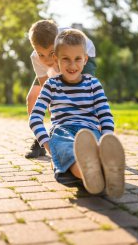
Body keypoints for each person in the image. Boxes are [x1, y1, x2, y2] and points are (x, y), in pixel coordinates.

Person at [29, 29, 125, 198]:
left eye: (77, 59)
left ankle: (102, 170)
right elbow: (35, 117)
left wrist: (106, 139)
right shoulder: (51, 85)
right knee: (67, 149)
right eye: (65, 59)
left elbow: (105, 114)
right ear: (56, 60)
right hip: (62, 131)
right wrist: (47, 145)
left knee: (90, 145)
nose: (72, 66)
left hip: (90, 132)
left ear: (85, 59)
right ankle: (93, 175)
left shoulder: (93, 84)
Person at [25, 19, 97, 158]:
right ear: (35, 49)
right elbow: (48, 92)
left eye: (50, 53)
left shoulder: (68, 43)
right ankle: (40, 141)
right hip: (59, 58)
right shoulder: (36, 58)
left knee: (83, 95)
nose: (46, 60)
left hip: (78, 55)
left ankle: (91, 137)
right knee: (33, 97)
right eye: (41, 54)